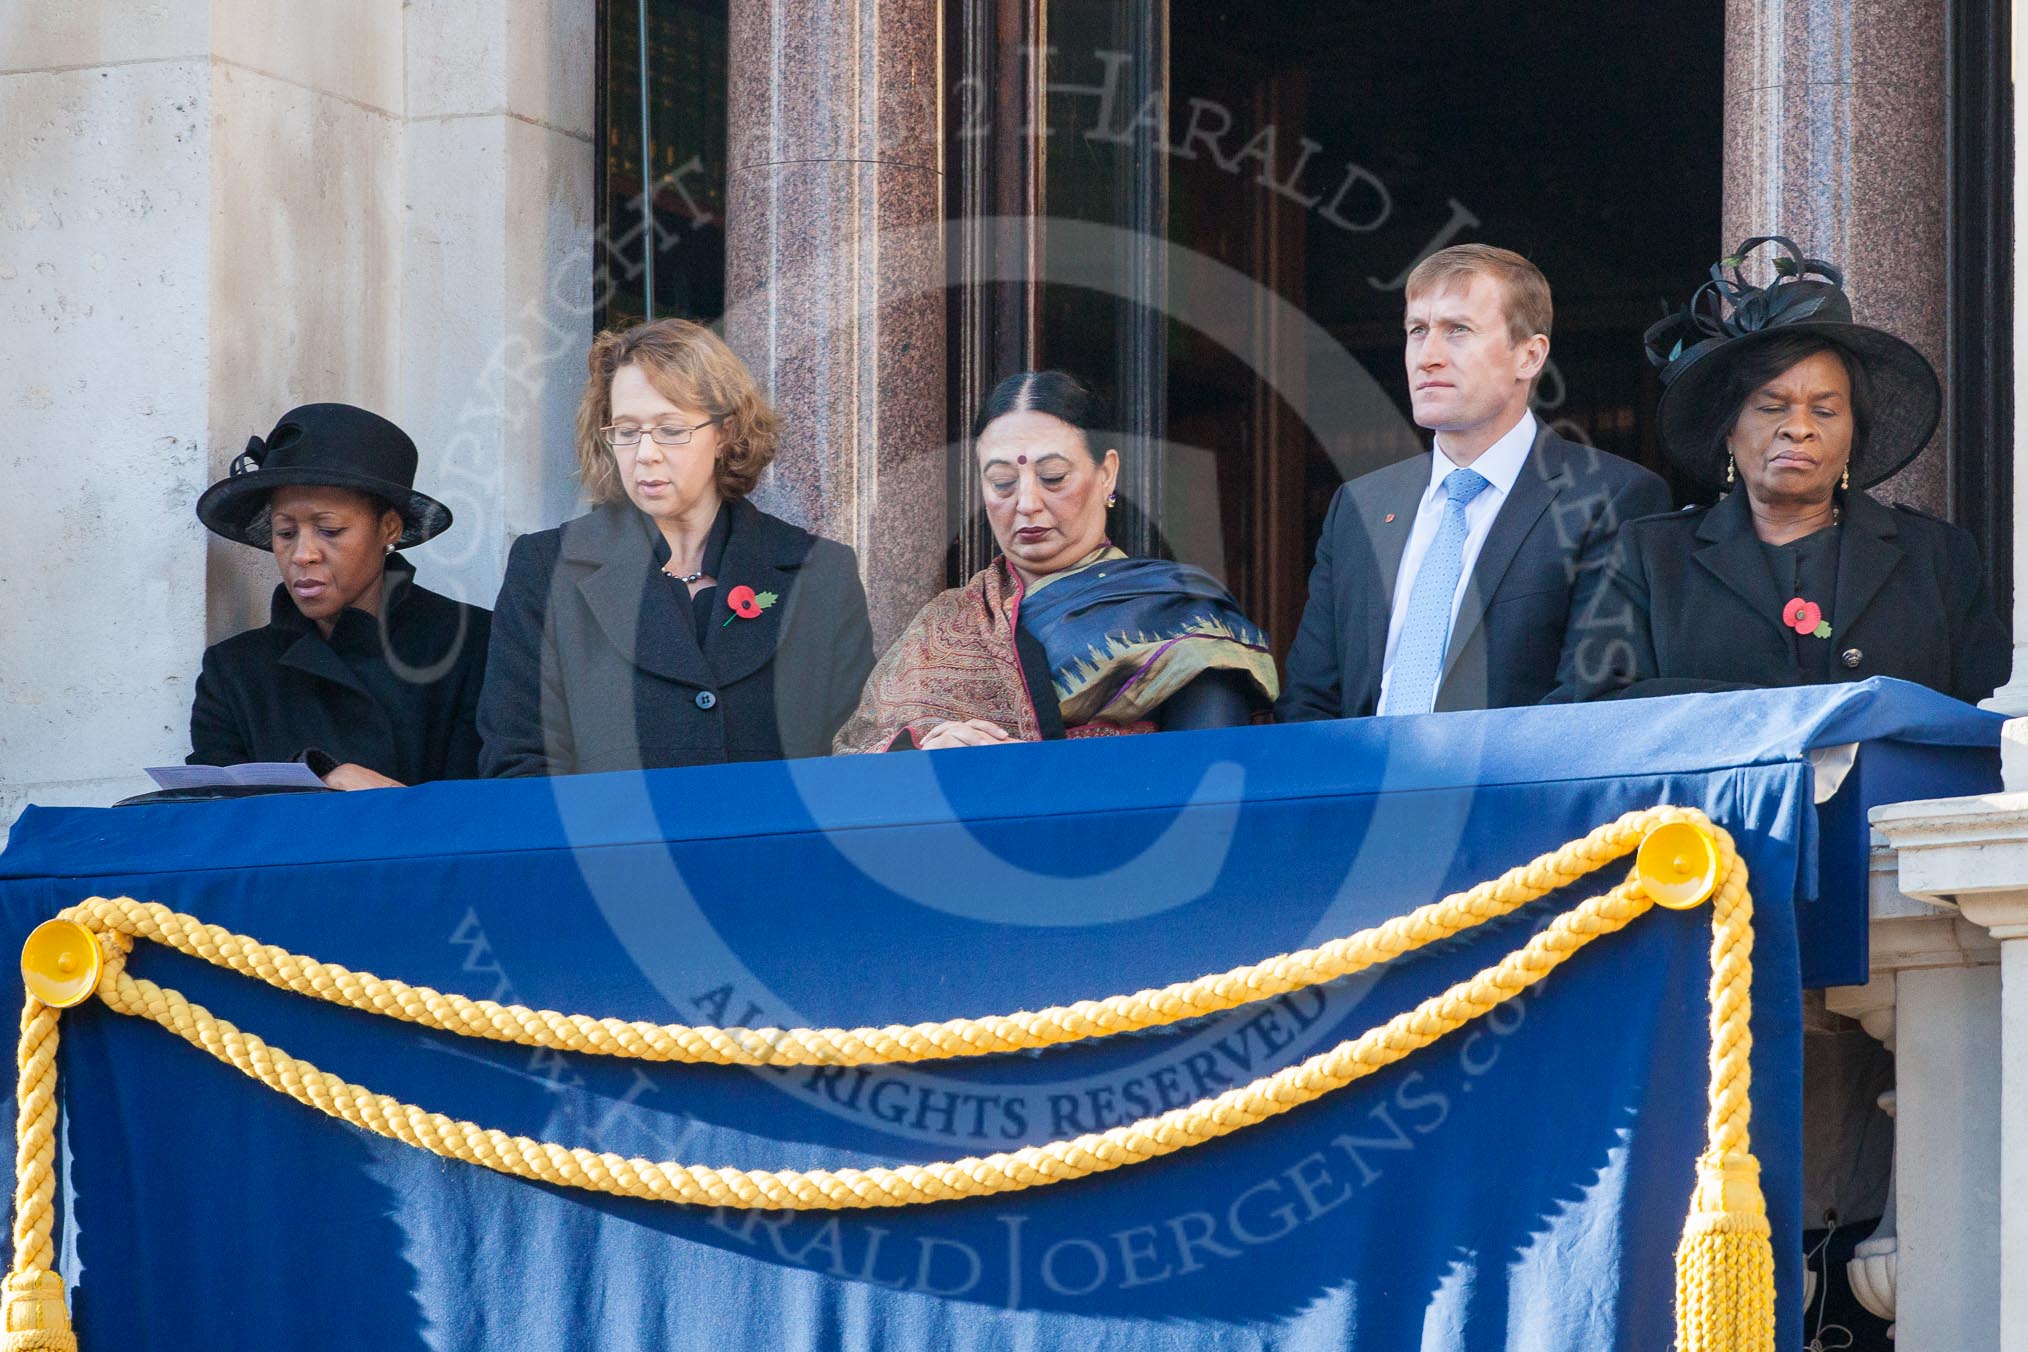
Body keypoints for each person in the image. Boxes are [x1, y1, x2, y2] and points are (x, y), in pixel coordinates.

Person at [1561, 236, 2008, 703]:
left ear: (1854, 433)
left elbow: (1988, 722)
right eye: (1772, 407)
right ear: (1729, 430)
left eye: (1826, 411)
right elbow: (1593, 709)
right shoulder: (1649, 557)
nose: (1798, 429)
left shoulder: (1938, 558)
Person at [1276, 244, 1673, 721]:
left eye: (1457, 331)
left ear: (1529, 356)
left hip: (1507, 791)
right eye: (1417, 331)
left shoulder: (1611, 497)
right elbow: (1309, 700)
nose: (1428, 357)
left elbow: (1586, 707)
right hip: (1357, 788)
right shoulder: (1358, 505)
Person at [479, 319, 874, 775]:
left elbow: (856, 754)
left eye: (670, 429)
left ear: (724, 433)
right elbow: (518, 761)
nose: (644, 452)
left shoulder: (820, 571)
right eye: (627, 431)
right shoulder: (547, 568)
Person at [834, 371, 1276, 752]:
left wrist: (1022, 769)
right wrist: (926, 756)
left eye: (1053, 478)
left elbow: (1208, 788)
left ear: (1107, 474)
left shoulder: (1181, 617)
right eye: (1003, 482)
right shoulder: (942, 627)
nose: (1027, 502)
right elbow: (852, 774)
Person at [188, 403, 491, 789]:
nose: (302, 554)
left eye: (329, 530)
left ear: (389, 528)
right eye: (284, 533)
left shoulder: (471, 644)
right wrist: (320, 780)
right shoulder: (234, 671)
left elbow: (489, 808)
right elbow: (214, 817)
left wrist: (396, 804)